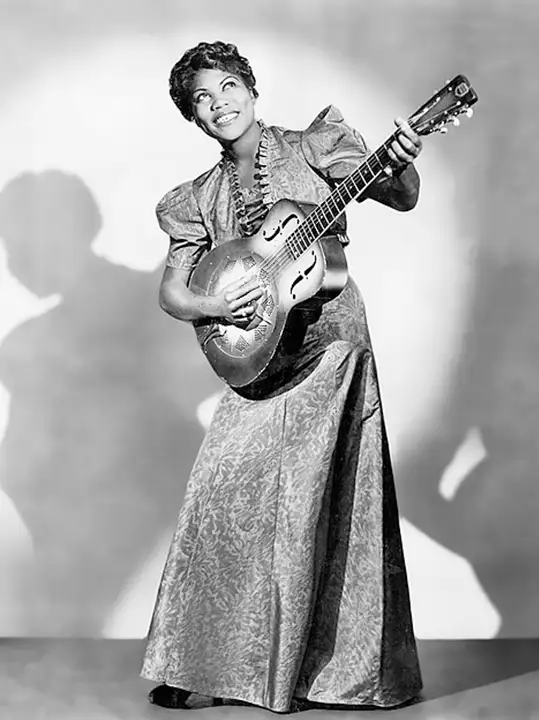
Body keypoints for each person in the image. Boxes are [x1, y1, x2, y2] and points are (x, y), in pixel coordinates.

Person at [141, 40, 423, 713]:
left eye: (226, 87)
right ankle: (209, 668)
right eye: (201, 101)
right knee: (221, 498)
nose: (218, 105)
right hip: (261, 356)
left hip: (330, 344)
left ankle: (328, 675)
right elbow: (175, 292)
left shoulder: (317, 144)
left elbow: (399, 195)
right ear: (194, 119)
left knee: (307, 506)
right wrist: (213, 305)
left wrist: (403, 162)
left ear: (250, 87)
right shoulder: (196, 199)